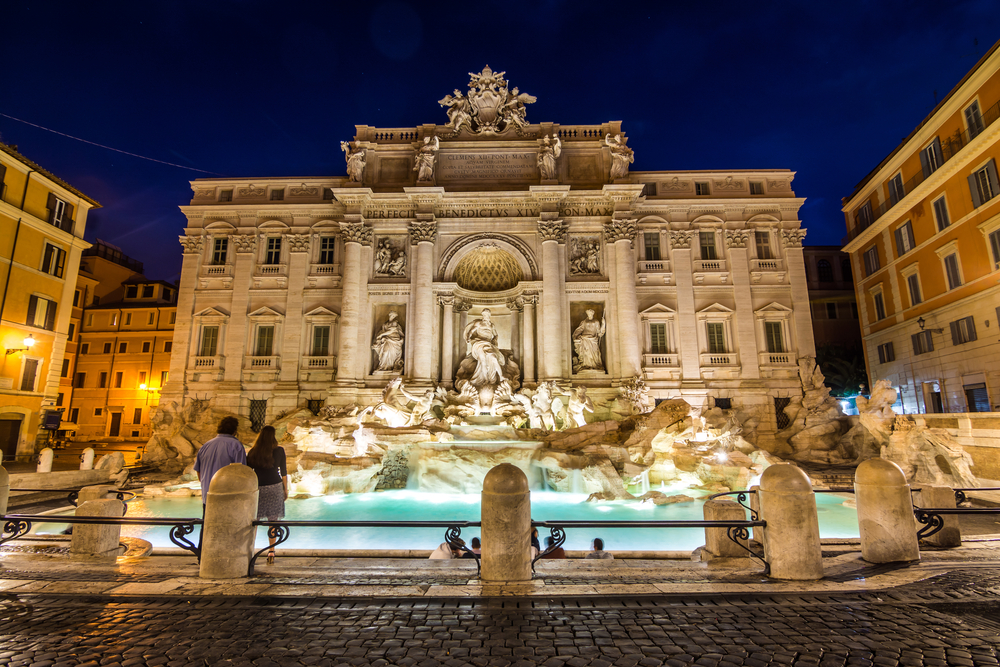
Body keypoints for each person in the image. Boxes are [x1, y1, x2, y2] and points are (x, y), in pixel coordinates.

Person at [246, 426, 287, 565]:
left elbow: (248, 472)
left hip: (258, 487)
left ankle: (250, 550)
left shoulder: (253, 452)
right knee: (273, 520)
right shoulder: (279, 450)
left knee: (254, 520)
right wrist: (285, 489)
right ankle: (271, 551)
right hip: (275, 486)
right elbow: (284, 472)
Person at [193, 416, 247, 508]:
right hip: (227, 497)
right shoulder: (236, 446)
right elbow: (241, 472)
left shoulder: (205, 446)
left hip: (208, 496)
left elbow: (198, 471)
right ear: (235, 430)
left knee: (207, 521)